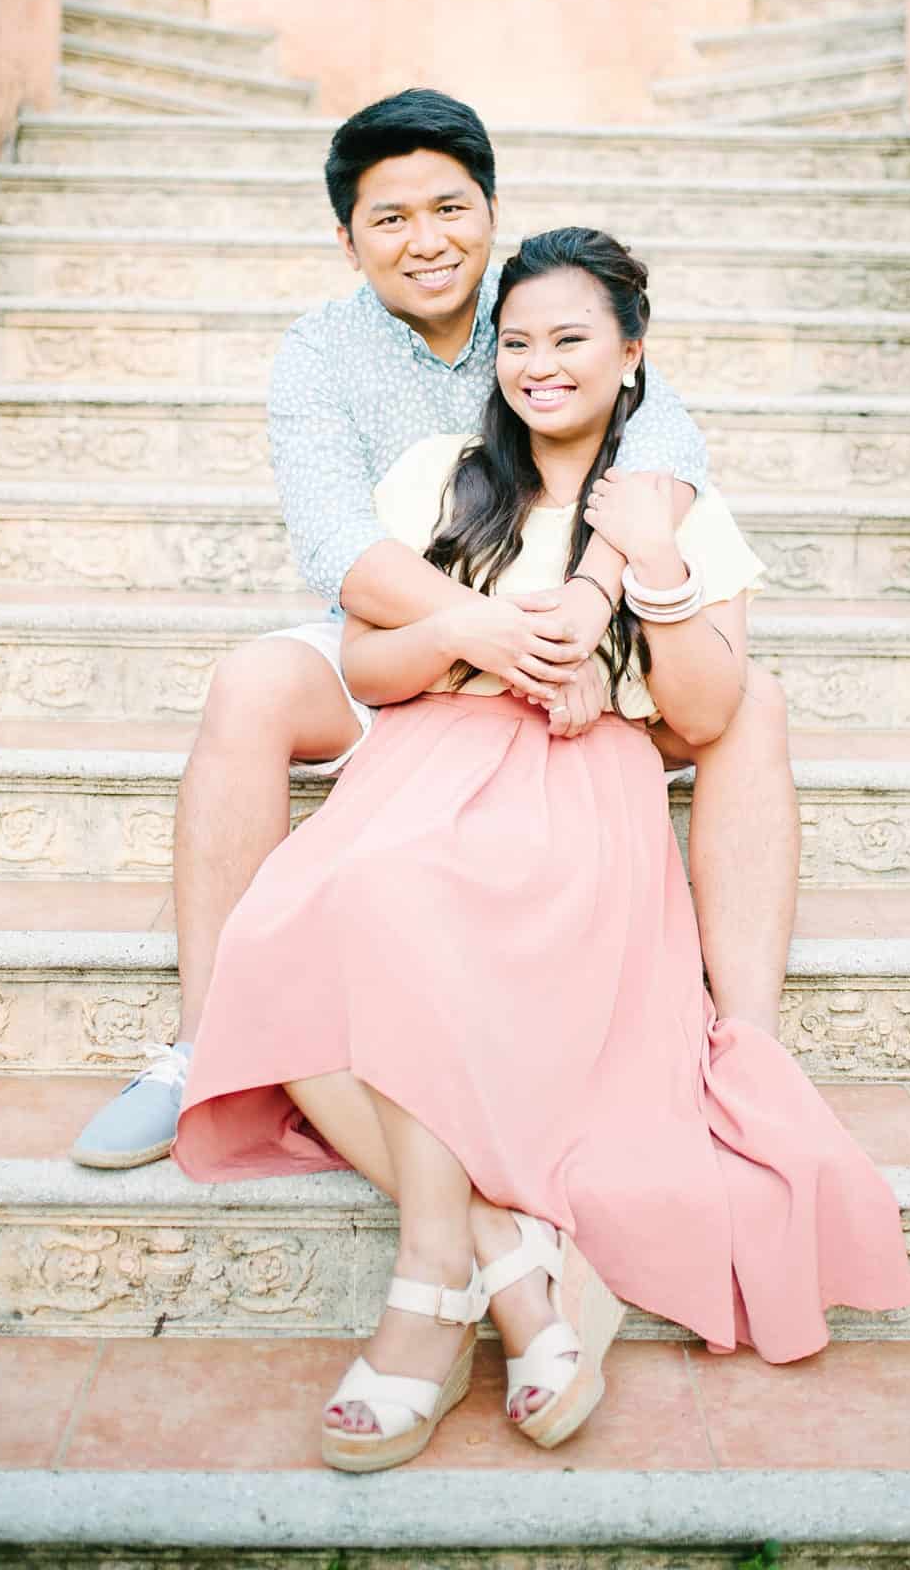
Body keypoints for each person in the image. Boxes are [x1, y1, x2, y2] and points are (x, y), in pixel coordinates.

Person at [171, 228, 910, 1473]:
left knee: (400, 905)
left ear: (632, 353)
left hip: (584, 784)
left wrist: (656, 570)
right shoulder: (441, 475)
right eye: (517, 341)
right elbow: (364, 662)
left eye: (571, 338)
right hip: (426, 760)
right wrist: (477, 640)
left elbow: (709, 712)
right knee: (286, 935)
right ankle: (504, 1253)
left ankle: (429, 1288)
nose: (539, 364)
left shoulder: (675, 508)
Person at [71, 89, 800, 1170]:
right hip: (415, 642)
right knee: (249, 684)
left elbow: (666, 450)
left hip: (581, 638)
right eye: (391, 218)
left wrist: (588, 606)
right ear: (348, 238)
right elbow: (339, 544)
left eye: (450, 208)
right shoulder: (321, 352)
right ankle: (203, 1040)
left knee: (751, 700)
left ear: (492, 209)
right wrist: (487, 630)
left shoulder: (549, 305)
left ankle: (748, 1042)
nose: (427, 240)